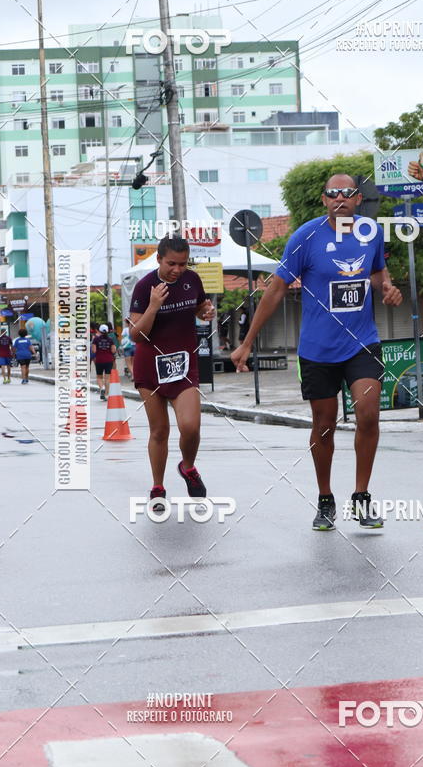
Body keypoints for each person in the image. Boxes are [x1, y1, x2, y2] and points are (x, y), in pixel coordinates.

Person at [231, 173, 403, 532]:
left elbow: (377, 274)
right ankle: (325, 499)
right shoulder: (305, 237)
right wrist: (247, 342)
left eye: (348, 193)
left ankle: (361, 496)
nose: (340, 198)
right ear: (324, 200)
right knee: (324, 424)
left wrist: (387, 288)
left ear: (359, 199)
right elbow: (276, 290)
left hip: (361, 341)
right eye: (332, 194)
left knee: (368, 414)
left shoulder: (370, 232)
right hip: (318, 348)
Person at [128, 235, 215, 506]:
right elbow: (135, 335)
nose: (177, 269)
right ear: (159, 259)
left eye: (182, 264)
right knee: (160, 430)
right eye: (171, 264)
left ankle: (188, 467)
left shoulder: (193, 280)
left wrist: (206, 311)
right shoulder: (144, 287)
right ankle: (158, 486)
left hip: (183, 365)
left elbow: (200, 305)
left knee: (190, 427)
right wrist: (154, 306)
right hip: (150, 366)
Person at [91, 323, 116, 400]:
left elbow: (94, 351)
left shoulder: (96, 339)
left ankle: (102, 388)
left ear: (100, 331)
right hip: (109, 360)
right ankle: (106, 394)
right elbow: (113, 351)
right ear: (108, 331)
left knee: (99, 377)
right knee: (107, 378)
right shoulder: (110, 340)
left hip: (99, 360)